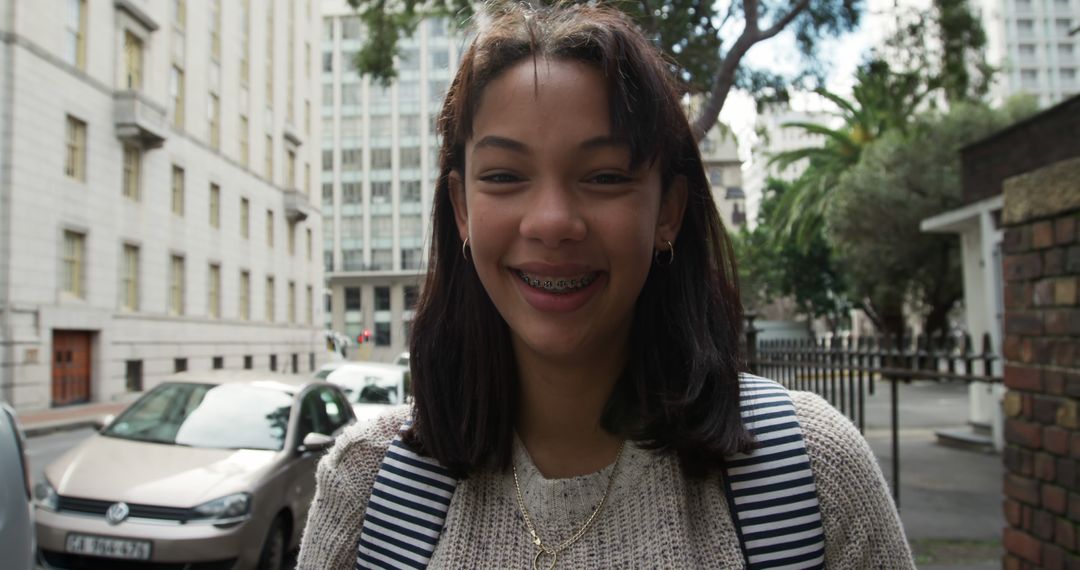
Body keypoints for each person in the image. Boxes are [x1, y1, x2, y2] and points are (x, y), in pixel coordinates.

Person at [298, 3, 913, 568]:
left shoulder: (809, 475)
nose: (552, 223)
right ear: (461, 208)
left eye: (606, 176)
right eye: (506, 175)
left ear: (667, 210)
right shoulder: (369, 491)